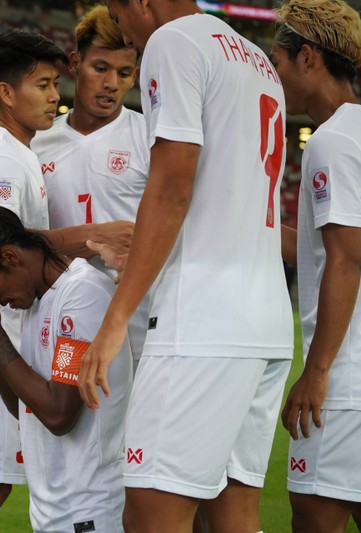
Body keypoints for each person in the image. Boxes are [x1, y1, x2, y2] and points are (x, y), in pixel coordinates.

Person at [79, 1, 294, 531]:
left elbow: (173, 185)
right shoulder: (256, 59)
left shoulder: (173, 43)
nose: (125, 32)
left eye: (120, 12)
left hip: (201, 321)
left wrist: (112, 324)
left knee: (151, 515)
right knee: (234, 515)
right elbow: (224, 198)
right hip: (265, 319)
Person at [0, 28, 132, 533]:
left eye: (53, 84)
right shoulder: (5, 158)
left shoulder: (6, 147)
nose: (53, 97)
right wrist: (93, 234)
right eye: (42, 85)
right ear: (6, 92)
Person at [270, 2, 361, 532]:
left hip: (352, 375)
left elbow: (346, 260)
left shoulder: (331, 141)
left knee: (313, 516)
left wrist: (317, 370)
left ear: (307, 57)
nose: (276, 74)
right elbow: (324, 249)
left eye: (279, 61)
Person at [0, 186, 132, 532]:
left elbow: (58, 414)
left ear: (10, 257)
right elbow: (25, 408)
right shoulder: (37, 301)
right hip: (53, 510)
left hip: (88, 510)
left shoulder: (81, 298)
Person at [32, 4, 149, 370]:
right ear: (74, 63)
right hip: (61, 321)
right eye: (100, 68)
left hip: (136, 329)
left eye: (124, 73)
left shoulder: (151, 137)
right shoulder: (36, 143)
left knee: (133, 426)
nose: (111, 83)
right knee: (63, 420)